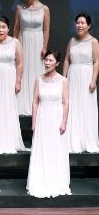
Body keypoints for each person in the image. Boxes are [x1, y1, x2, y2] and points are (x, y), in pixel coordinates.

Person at [27, 50, 71, 198]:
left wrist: (64, 122)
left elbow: (66, 103)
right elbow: (35, 102)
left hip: (56, 117)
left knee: (55, 148)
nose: (47, 63)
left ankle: (55, 180)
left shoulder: (63, 81)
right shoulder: (39, 79)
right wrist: (34, 121)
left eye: (50, 60)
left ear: (57, 63)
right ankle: (40, 180)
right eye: (46, 60)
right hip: (42, 117)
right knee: (42, 147)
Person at [0, 16, 26, 154]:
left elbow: (20, 64)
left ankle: (8, 140)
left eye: (3, 27)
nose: (1, 30)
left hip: (9, 79)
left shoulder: (15, 42)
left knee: (7, 107)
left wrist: (18, 81)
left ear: (8, 28)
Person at [63, 13, 99, 153]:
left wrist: (93, 80)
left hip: (86, 76)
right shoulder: (72, 41)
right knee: (72, 105)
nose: (79, 25)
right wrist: (64, 78)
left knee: (86, 107)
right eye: (78, 23)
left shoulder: (94, 42)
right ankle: (73, 139)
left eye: (82, 23)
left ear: (89, 25)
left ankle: (86, 140)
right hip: (73, 76)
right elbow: (67, 59)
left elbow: (96, 62)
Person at [14, 0, 50, 115]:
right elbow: (16, 27)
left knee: (36, 70)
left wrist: (44, 46)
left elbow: (46, 29)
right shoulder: (19, 7)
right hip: (23, 40)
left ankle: (36, 103)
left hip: (37, 42)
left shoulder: (44, 9)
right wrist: (13, 45)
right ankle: (20, 103)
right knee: (22, 69)